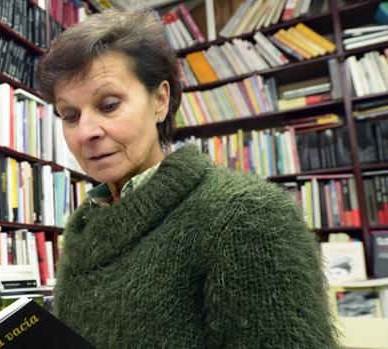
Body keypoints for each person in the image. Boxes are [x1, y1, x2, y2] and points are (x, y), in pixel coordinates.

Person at [36, 10, 339, 349]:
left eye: (108, 105)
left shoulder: (247, 216)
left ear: (160, 101)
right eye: (70, 116)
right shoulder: (82, 226)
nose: (86, 132)